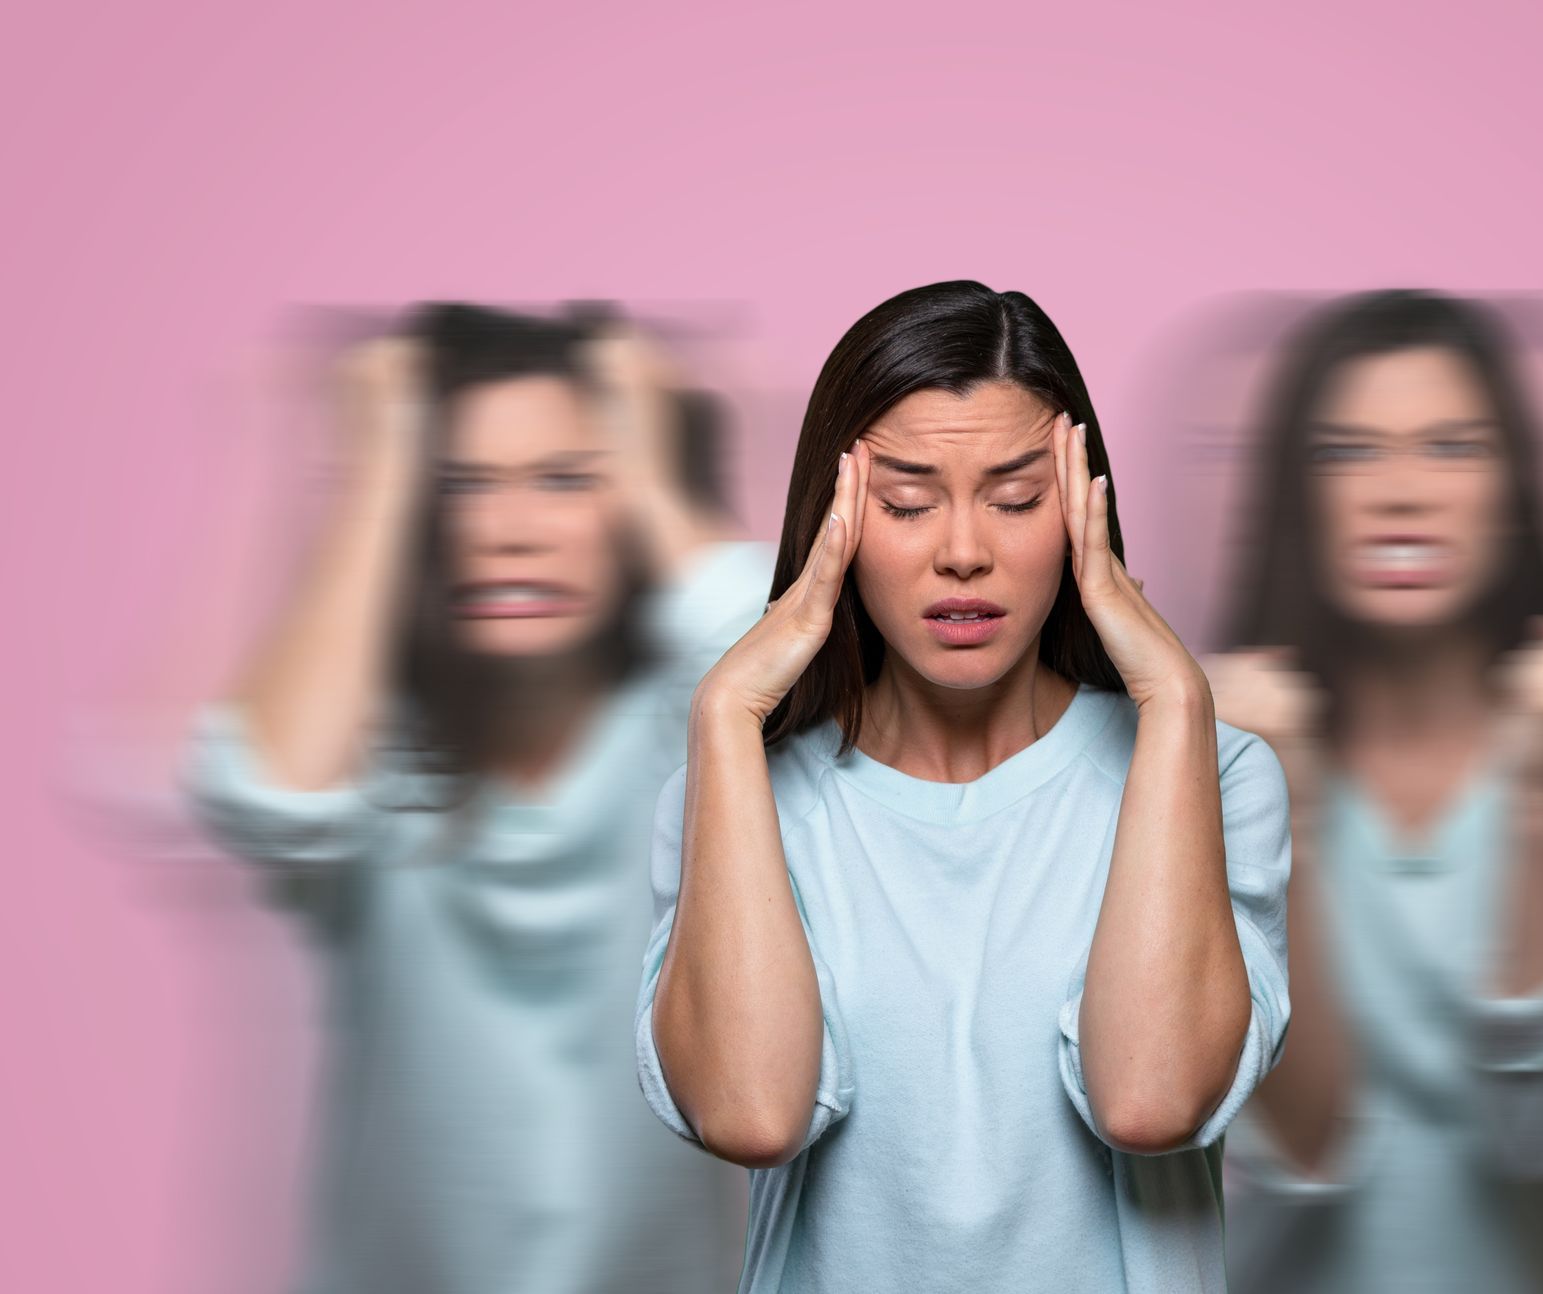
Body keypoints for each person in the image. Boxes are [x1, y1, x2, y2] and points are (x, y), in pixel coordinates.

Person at [633, 280, 1293, 1293]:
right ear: (834, 520)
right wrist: (725, 712)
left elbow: (1150, 1101)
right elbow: (752, 1116)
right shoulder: (732, 793)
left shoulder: (1219, 774)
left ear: (1082, 509)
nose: (963, 554)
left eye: (1017, 500)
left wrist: (1173, 698)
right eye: (906, 504)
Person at [184, 302, 768, 1293]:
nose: (509, 532)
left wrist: (646, 466)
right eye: (459, 485)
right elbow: (271, 799)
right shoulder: (375, 753)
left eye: (566, 479)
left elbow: (794, 684)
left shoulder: (691, 737)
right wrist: (380, 467)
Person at [1206, 289, 1543, 1293]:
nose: (1403, 494)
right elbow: (1302, 1153)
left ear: (1516, 483)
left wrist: (1541, 798)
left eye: (1453, 447)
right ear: (1293, 493)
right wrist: (1286, 805)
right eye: (1346, 452)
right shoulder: (1212, 762)